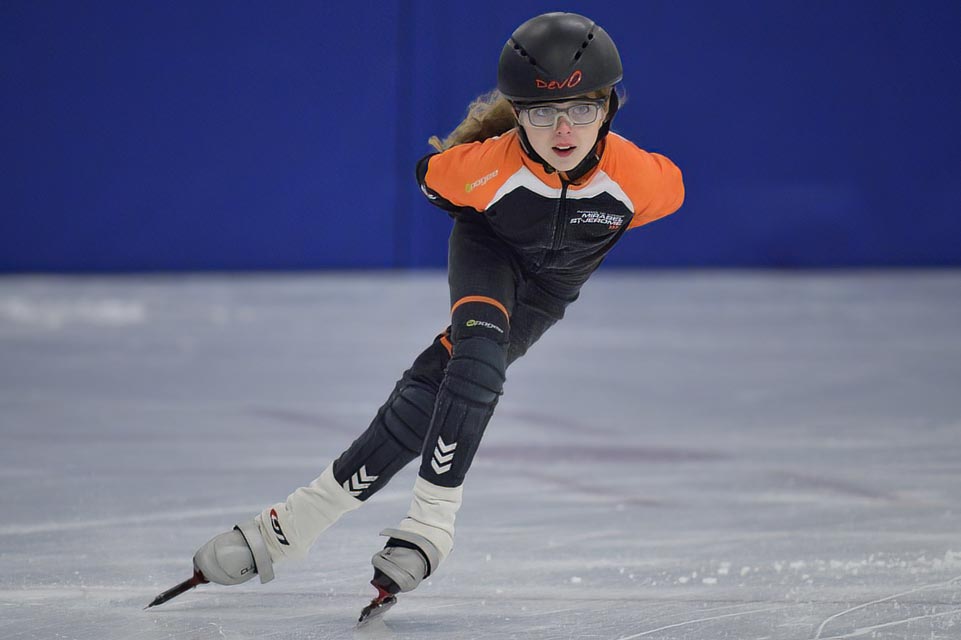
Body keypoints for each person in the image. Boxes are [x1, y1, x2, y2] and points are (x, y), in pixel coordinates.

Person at [189, 11, 684, 612]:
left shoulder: (646, 181)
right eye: (539, 111)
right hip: (488, 251)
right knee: (477, 360)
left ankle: (290, 526)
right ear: (518, 112)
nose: (562, 128)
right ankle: (431, 526)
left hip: (545, 293)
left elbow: (665, 193)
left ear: (607, 109)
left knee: (433, 387)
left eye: (582, 108)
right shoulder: (480, 170)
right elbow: (431, 178)